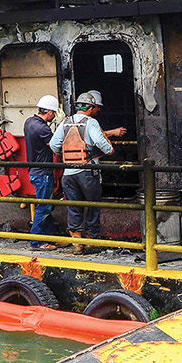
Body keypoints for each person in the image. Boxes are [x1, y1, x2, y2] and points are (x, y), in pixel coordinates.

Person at [50, 90, 125, 253]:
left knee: (74, 207)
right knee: (92, 206)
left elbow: (54, 145)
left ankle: (77, 243)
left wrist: (67, 154)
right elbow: (101, 142)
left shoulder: (65, 123)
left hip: (68, 175)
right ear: (90, 108)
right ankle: (91, 241)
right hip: (88, 173)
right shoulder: (90, 122)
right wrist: (109, 150)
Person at [23, 94, 62, 250]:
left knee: (47, 206)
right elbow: (55, 146)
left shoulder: (29, 122)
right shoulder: (43, 128)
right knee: (43, 207)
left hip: (34, 171)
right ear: (50, 112)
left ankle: (49, 238)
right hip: (43, 172)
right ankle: (37, 242)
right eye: (54, 113)